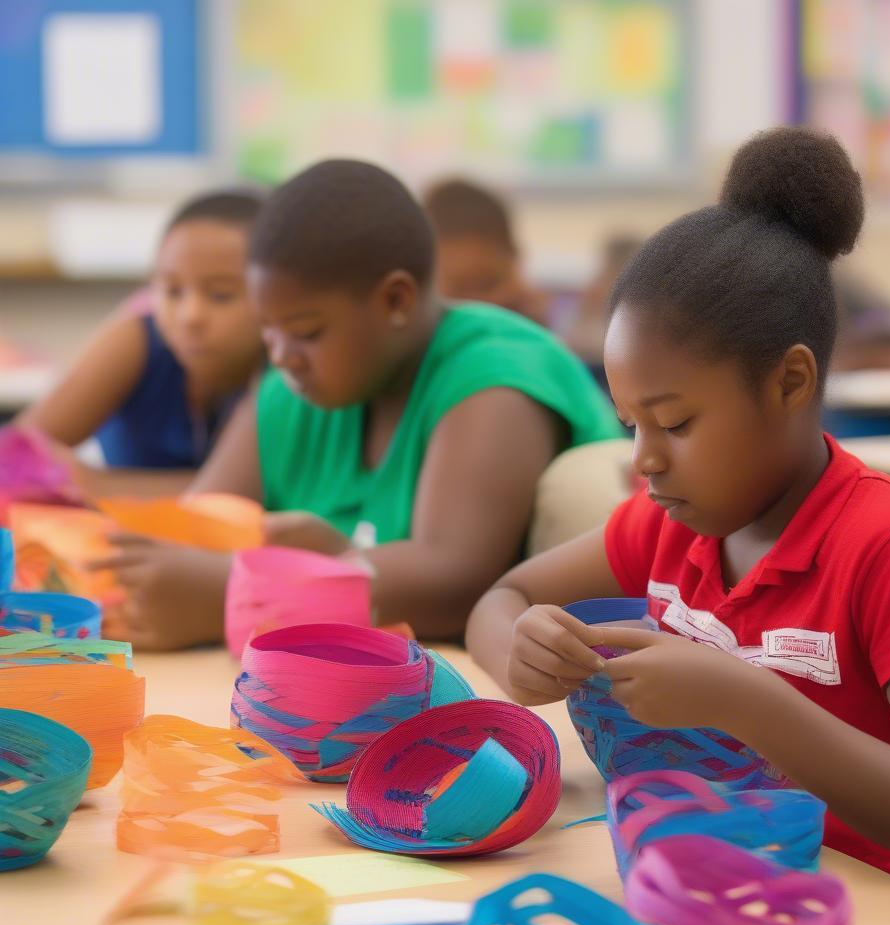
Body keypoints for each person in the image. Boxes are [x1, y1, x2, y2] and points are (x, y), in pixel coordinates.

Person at [467, 127, 890, 915]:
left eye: (677, 423)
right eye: (632, 425)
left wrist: (749, 703)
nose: (645, 460)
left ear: (790, 382)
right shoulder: (673, 524)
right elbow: (504, 598)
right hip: (718, 897)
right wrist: (521, 653)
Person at [95, 159, 622, 650]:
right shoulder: (294, 384)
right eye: (267, 330)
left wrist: (229, 596)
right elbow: (199, 527)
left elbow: (457, 581)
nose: (281, 356)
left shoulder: (496, 374)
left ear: (395, 300)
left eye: (305, 331)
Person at [18, 190, 265, 496]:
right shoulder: (137, 338)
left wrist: (97, 484)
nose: (190, 316)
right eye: (172, 291)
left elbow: (246, 494)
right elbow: (15, 458)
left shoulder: (284, 373)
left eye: (221, 295)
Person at [423, 177, 549, 324]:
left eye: (488, 284)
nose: (481, 306)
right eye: (463, 290)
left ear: (516, 256)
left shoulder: (529, 321)